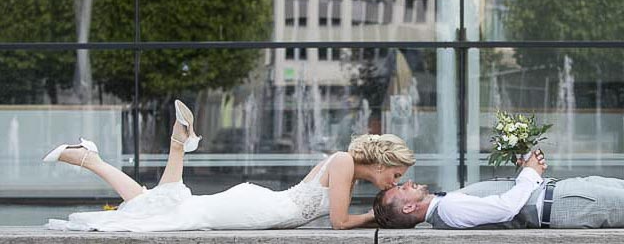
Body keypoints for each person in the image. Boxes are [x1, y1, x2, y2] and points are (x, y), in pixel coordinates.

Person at [43, 99, 415, 231]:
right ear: (382, 163)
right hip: (259, 209)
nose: (393, 183)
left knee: (164, 207)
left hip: (261, 206)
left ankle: (88, 157)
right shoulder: (344, 162)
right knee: (175, 214)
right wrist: (377, 217)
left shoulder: (343, 166)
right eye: (396, 175)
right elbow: (339, 223)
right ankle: (175, 144)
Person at [374, 151, 624, 230]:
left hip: (563, 193)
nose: (407, 182)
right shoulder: (449, 214)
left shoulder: (443, 205)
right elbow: (504, 208)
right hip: (562, 204)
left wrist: (527, 173)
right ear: (410, 208)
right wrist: (530, 174)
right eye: (402, 189)